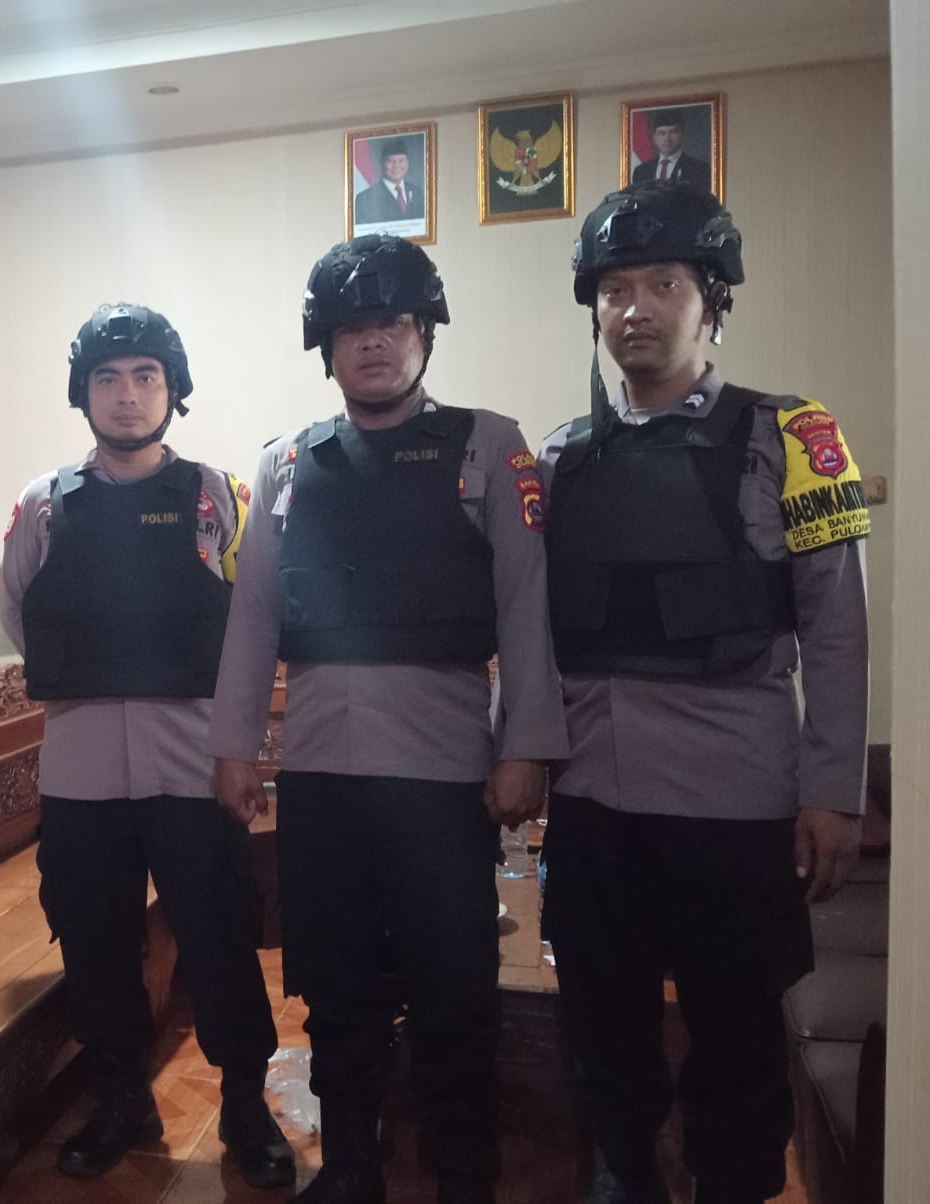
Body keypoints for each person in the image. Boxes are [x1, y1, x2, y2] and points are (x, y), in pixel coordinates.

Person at [210, 235, 568, 1204]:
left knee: (454, 982)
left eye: (393, 323)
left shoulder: (489, 444)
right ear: (325, 347)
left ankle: (465, 1170)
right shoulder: (285, 463)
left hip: (444, 775)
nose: (373, 342)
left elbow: (524, 603)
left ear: (425, 334)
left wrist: (526, 745)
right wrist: (233, 747)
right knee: (335, 983)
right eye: (352, 328)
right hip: (321, 776)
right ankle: (351, 1163)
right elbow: (253, 615)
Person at [539, 180, 869, 1204]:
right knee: (603, 1015)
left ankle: (734, 1180)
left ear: (711, 299)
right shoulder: (559, 456)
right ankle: (623, 1166)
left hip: (735, 801)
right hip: (593, 799)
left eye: (664, 284)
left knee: (735, 1026)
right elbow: (533, 629)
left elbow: (837, 625)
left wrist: (833, 790)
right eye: (615, 289)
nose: (635, 308)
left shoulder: (795, 434)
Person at [0, 303, 295, 1189]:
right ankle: (122, 1098)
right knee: (93, 941)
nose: (126, 395)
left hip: (194, 764)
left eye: (145, 377)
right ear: (83, 392)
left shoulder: (218, 496)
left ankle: (244, 1103)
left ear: (172, 390)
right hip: (81, 769)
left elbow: (254, 618)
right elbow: (20, 614)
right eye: (107, 378)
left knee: (220, 934)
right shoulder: (43, 504)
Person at [629, 108, 711, 187]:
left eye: (673, 132)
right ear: (654, 137)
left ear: (682, 134)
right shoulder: (641, 171)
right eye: (662, 133)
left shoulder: (699, 169)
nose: (667, 139)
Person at [354, 138, 426, 225]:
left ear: (407, 162)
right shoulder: (365, 199)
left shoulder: (418, 193)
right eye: (390, 161)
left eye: (401, 160)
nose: (396, 166)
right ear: (381, 163)